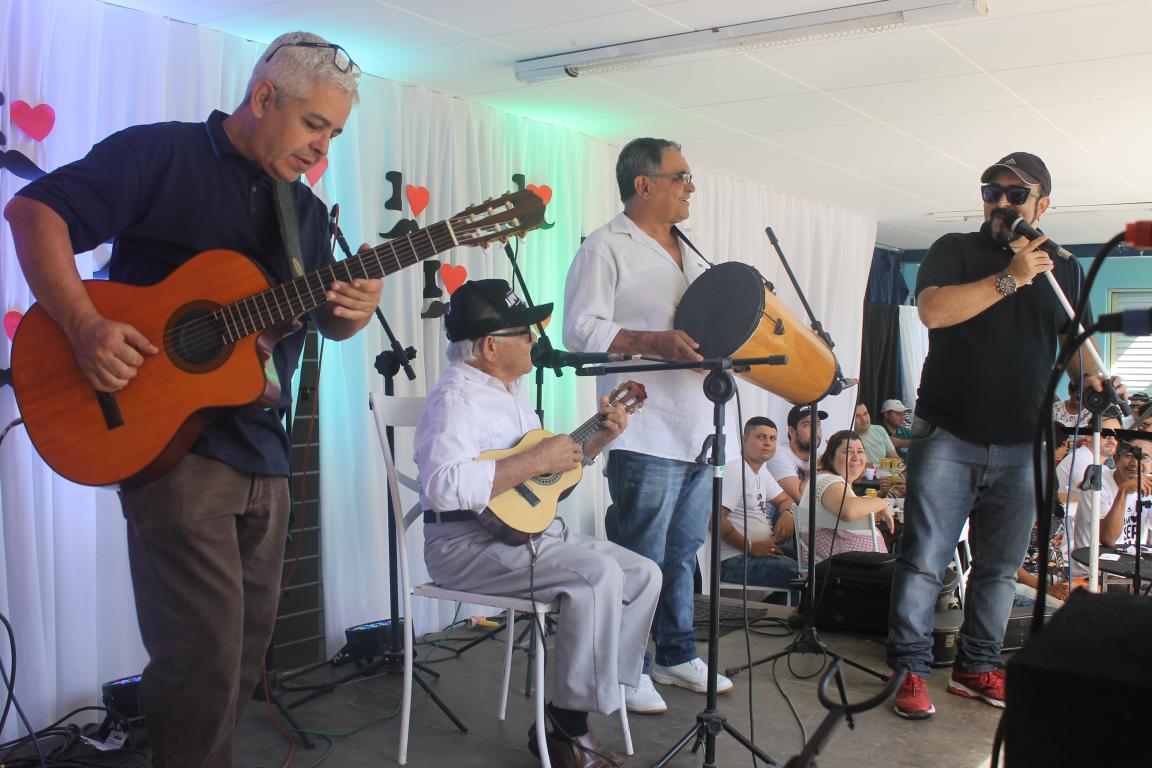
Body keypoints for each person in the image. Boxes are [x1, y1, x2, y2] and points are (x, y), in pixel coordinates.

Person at [4, 32, 381, 767]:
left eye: (335, 134)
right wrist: (83, 325)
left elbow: (324, 319)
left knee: (241, 653)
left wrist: (355, 309)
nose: (321, 147)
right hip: (174, 448)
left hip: (266, 450)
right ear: (264, 97)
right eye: (314, 125)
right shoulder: (160, 154)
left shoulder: (304, 214)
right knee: (201, 653)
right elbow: (35, 213)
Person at [886, 151, 1125, 721]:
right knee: (925, 560)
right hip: (949, 432)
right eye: (991, 191)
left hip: (1025, 440)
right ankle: (910, 668)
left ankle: (976, 666)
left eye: (1016, 194)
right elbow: (933, 313)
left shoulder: (1062, 268)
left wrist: (1092, 379)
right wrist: (1012, 277)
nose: (1000, 202)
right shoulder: (954, 249)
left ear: (1043, 205)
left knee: (999, 566)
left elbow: (1073, 346)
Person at [415, 279, 662, 766]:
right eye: (524, 332)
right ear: (491, 346)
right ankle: (568, 727)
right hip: (463, 546)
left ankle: (582, 704)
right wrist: (533, 460)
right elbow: (441, 486)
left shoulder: (511, 392)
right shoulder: (453, 399)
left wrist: (595, 442)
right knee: (597, 576)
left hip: (525, 536)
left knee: (644, 573)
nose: (534, 340)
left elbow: (542, 484)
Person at [563, 137, 733, 699]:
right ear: (644, 184)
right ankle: (626, 668)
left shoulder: (693, 248)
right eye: (681, 176)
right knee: (641, 555)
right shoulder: (604, 247)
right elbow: (579, 330)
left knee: (683, 553)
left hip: (698, 424)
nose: (691, 187)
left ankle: (675, 655)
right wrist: (653, 341)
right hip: (644, 425)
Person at [716, 417, 799, 601]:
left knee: (812, 566)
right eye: (761, 437)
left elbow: (786, 499)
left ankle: (776, 613)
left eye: (772, 438)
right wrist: (750, 547)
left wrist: (788, 513)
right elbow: (715, 519)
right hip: (734, 559)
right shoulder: (735, 470)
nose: (768, 443)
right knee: (802, 576)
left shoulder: (762, 470)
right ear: (745, 439)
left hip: (760, 551)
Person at [799, 430, 895, 562]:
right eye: (848, 452)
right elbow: (849, 510)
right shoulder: (827, 480)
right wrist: (881, 502)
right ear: (831, 457)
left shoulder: (833, 482)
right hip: (842, 570)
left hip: (853, 567)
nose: (856, 457)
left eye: (860, 451)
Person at [765, 403, 828, 504]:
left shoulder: (818, 457)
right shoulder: (778, 455)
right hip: (779, 514)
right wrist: (822, 465)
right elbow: (803, 500)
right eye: (807, 425)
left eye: (818, 424)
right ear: (791, 431)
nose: (815, 430)